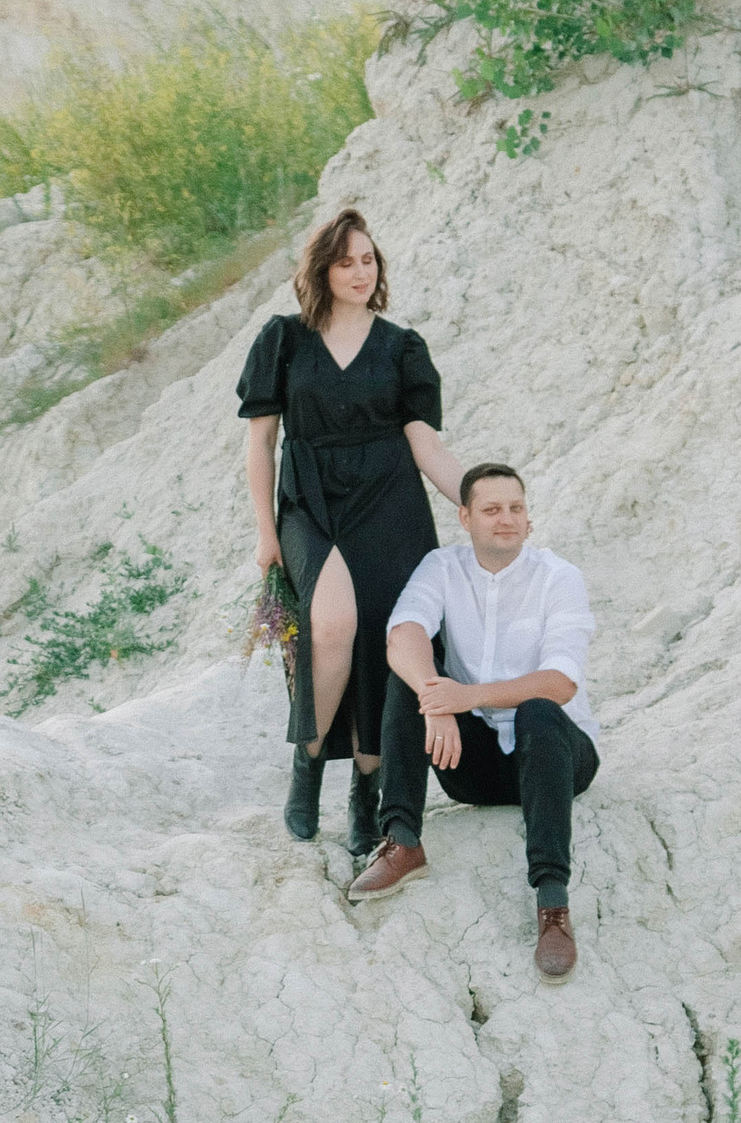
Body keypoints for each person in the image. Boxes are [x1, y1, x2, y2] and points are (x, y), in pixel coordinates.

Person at [238, 209, 472, 860]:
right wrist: (266, 531)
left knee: (386, 641)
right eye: (346, 262)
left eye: (368, 260)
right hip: (310, 502)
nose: (360, 272)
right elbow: (261, 443)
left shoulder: (402, 347)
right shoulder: (283, 340)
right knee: (332, 623)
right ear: (322, 270)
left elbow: (425, 445)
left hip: (390, 502)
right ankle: (307, 765)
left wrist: (476, 501)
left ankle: (366, 795)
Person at [349, 464, 599, 982]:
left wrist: (467, 695)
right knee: (409, 676)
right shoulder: (442, 567)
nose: (506, 519)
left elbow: (561, 682)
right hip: (473, 766)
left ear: (528, 519)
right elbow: (405, 633)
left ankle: (553, 905)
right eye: (491, 509)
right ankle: (402, 839)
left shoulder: (559, 576)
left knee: (537, 706)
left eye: (516, 508)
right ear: (465, 517)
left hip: (557, 757)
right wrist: (437, 700)